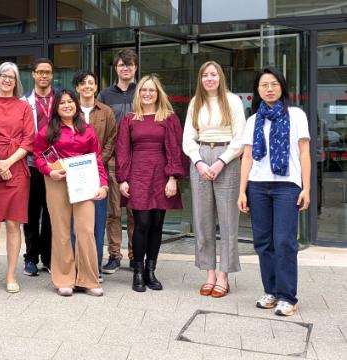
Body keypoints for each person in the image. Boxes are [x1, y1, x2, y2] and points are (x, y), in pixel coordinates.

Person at [238, 66, 311, 317]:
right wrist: (242, 191)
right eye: (264, 85)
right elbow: (247, 156)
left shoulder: (297, 115)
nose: (269, 89)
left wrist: (307, 188)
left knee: (284, 241)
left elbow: (304, 153)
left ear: (282, 87)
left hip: (287, 186)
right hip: (258, 185)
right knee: (263, 242)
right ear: (257, 90)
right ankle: (271, 291)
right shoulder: (253, 119)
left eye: (274, 84)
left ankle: (287, 296)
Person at [33, 89, 109, 297]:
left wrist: (103, 184)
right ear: (56, 107)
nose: (67, 105)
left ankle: (89, 279)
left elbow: (98, 159)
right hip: (57, 182)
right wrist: (49, 171)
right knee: (61, 230)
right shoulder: (47, 130)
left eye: (70, 102)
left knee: (85, 230)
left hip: (84, 183)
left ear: (76, 105)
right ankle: (64, 278)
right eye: (62, 103)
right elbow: (38, 155)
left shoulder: (88, 130)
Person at [115, 74, 186, 293]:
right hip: (138, 175)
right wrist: (123, 179)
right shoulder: (130, 119)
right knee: (142, 223)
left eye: (151, 90)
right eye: (144, 90)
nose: (147, 94)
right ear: (139, 93)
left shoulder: (169, 118)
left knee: (157, 225)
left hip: (162, 176)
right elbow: (122, 150)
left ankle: (150, 271)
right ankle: (137, 272)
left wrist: (173, 177)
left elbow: (176, 148)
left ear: (158, 94)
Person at [182, 61, 246, 298]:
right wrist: (198, 162)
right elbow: (188, 137)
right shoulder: (195, 103)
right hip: (200, 157)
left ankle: (224, 275)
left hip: (226, 158)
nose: (209, 79)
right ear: (200, 79)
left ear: (221, 77)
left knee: (228, 221)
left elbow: (240, 138)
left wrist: (221, 162)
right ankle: (209, 272)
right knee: (202, 219)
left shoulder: (233, 102)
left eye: (213, 74)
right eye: (205, 75)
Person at [0, 62, 34, 293]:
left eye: (11, 77)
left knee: (13, 225)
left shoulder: (24, 107)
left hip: (17, 170)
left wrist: (8, 163)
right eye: (3, 75)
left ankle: (11, 276)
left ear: (16, 81)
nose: (7, 80)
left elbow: (29, 140)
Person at [98, 49, 138, 274]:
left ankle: (135, 255)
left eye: (130, 65)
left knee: (134, 211)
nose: (126, 68)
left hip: (137, 159)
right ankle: (114, 255)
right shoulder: (105, 95)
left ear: (135, 68)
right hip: (112, 159)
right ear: (116, 68)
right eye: (122, 65)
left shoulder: (142, 92)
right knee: (113, 211)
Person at [74, 70, 117, 282]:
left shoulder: (106, 111)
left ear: (96, 87)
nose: (87, 86)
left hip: (98, 173)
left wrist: (96, 161)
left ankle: (95, 268)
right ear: (77, 88)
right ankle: (76, 268)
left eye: (91, 82)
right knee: (76, 224)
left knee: (97, 223)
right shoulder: (70, 110)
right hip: (74, 174)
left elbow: (112, 139)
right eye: (83, 83)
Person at [21, 58, 57, 276]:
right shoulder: (24, 101)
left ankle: (49, 257)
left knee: (53, 213)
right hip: (32, 164)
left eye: (48, 72)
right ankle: (31, 257)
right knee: (31, 214)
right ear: (33, 74)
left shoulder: (61, 99)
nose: (44, 76)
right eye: (40, 72)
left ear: (52, 75)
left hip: (56, 165)